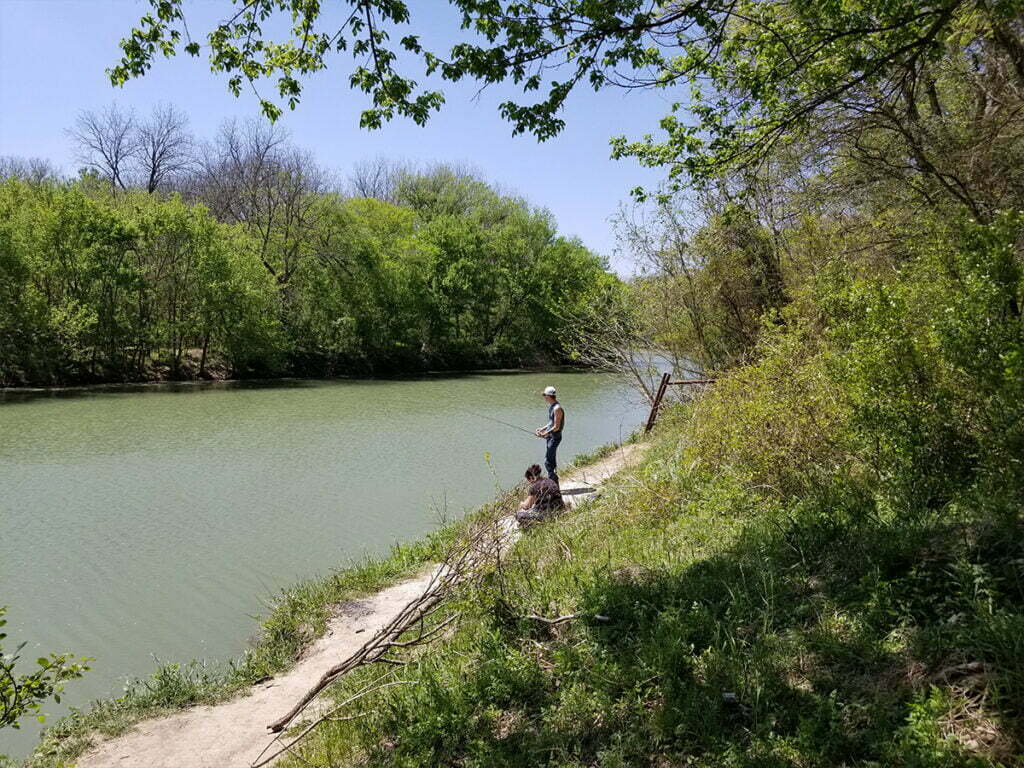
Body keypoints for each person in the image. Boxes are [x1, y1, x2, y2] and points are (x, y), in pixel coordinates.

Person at [535, 385, 565, 484]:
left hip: (555, 438)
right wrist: (542, 429)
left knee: (548, 461)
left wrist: (545, 433)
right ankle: (554, 481)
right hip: (550, 437)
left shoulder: (557, 408)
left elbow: (556, 426)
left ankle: (553, 482)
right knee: (551, 460)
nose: (544, 397)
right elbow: (551, 422)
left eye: (544, 395)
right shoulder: (552, 407)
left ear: (548, 396)